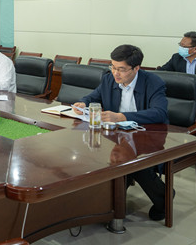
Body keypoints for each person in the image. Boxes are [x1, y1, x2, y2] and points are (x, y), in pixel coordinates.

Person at [72, 44, 170, 221]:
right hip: (117, 134)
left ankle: (163, 198)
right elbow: (94, 96)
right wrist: (83, 102)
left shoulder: (153, 82)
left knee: (135, 163)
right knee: (97, 155)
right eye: (113, 67)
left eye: (121, 69)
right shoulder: (109, 79)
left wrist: (122, 117)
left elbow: (159, 113)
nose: (115, 73)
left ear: (136, 68)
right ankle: (109, 203)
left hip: (147, 133)